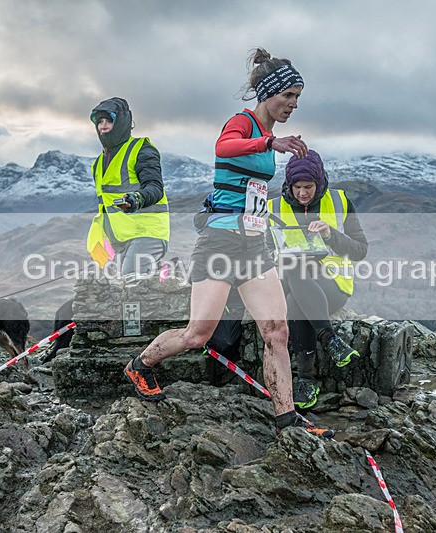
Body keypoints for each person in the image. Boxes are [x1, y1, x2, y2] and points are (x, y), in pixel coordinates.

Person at [124, 48, 333, 438]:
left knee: (277, 331)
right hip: (219, 244)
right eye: (288, 95)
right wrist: (269, 146)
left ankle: (288, 418)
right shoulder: (243, 124)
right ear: (269, 92)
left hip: (254, 246)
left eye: (298, 98)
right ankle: (140, 364)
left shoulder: (271, 135)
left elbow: (248, 188)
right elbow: (223, 148)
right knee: (197, 335)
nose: (293, 104)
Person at [268, 149, 368, 410]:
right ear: (289, 184)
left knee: (295, 293)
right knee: (294, 274)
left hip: (332, 287)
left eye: (308, 186)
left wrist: (331, 234)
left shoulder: (340, 201)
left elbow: (360, 250)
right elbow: (260, 252)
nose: (302, 193)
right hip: (290, 282)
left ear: (319, 182)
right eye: (297, 186)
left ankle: (305, 379)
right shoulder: (272, 207)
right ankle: (330, 340)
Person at [86, 97, 169, 277]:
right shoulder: (98, 164)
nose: (103, 126)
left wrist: (135, 199)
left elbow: (155, 187)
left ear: (122, 122)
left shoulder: (141, 149)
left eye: (109, 120)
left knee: (130, 279)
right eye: (99, 122)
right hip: (117, 239)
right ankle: (160, 274)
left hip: (146, 232)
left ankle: (166, 277)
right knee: (108, 286)